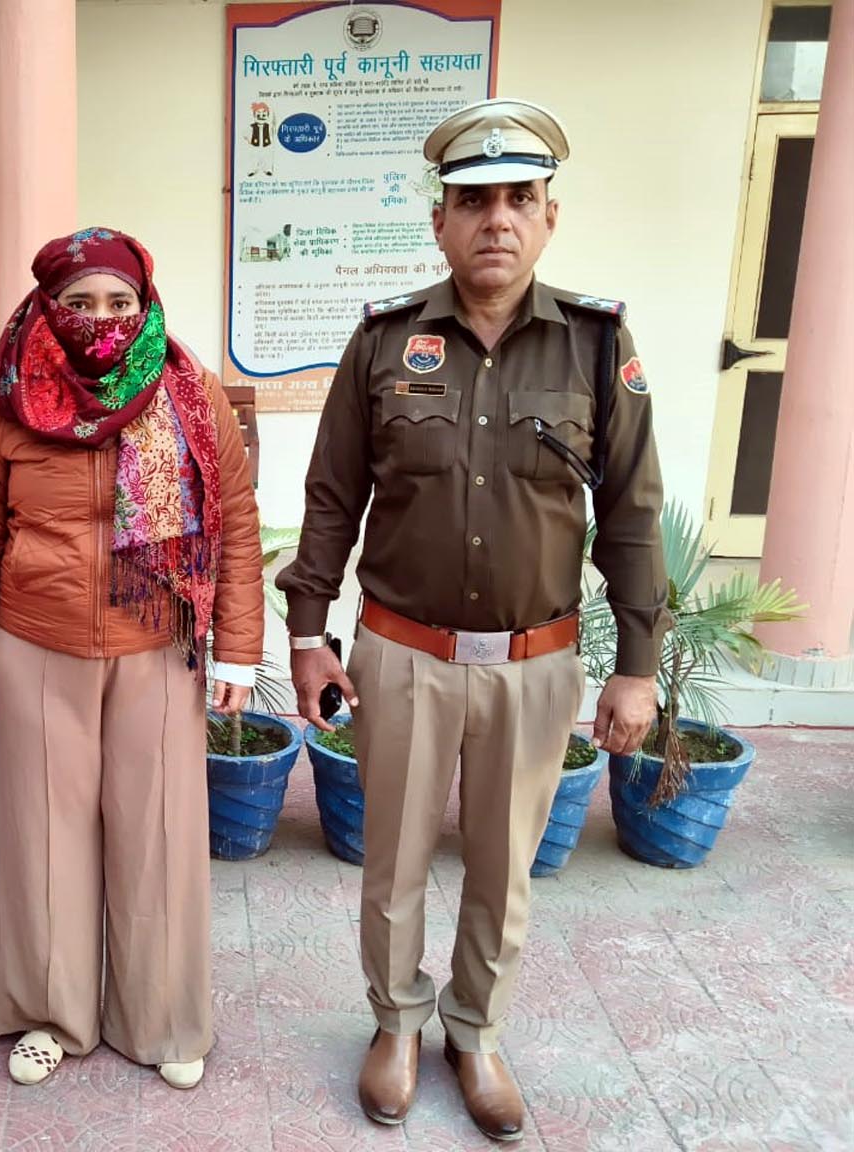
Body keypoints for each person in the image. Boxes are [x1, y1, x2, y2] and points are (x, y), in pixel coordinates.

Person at [279, 99, 667, 1142]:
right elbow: (331, 497)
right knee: (393, 862)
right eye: (473, 201)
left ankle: (475, 1031)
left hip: (534, 664)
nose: (496, 219)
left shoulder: (594, 344)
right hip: (401, 654)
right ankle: (395, 1023)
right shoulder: (382, 341)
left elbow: (631, 511)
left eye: (517, 199)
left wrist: (636, 664)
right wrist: (308, 634)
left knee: (503, 865)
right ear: (439, 222)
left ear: (548, 218)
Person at [0, 228, 264, 1090]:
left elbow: (232, 520)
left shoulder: (188, 390)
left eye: (119, 301)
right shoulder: (8, 398)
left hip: (156, 643)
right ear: (47, 308)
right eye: (79, 303)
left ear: (143, 304)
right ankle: (51, 1014)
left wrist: (238, 650)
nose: (101, 319)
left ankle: (160, 1018)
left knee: (158, 835)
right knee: (43, 838)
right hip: (38, 644)